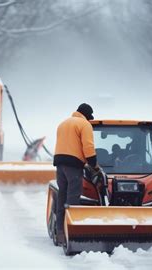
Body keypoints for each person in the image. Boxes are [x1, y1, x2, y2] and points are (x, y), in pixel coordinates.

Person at [53, 103, 99, 245]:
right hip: (73, 166)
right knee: (73, 198)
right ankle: (71, 232)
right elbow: (88, 146)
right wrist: (94, 164)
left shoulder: (63, 123)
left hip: (60, 164)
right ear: (86, 115)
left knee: (62, 196)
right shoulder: (84, 124)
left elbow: (66, 144)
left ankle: (60, 232)